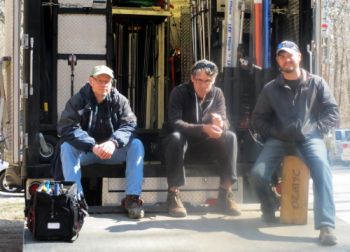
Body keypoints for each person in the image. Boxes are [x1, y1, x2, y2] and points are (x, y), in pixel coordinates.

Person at [250, 41, 339, 246]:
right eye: (282, 56)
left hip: (309, 138)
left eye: (290, 55)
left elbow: (332, 111)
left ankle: (326, 226)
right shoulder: (270, 89)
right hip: (278, 139)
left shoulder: (316, 83)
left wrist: (317, 129)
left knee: (322, 170)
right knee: (257, 175)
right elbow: (257, 119)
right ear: (278, 61)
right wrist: (275, 132)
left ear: (299, 56)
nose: (287, 59)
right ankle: (269, 205)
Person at [57, 65, 145, 219]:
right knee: (66, 147)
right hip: (88, 152)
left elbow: (130, 126)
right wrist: (92, 145)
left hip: (112, 152)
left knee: (137, 145)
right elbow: (67, 127)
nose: (104, 84)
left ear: (112, 83)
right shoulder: (78, 100)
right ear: (91, 81)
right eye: (100, 80)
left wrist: (113, 143)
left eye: (107, 81)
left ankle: (132, 199)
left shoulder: (121, 101)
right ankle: (77, 201)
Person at [162, 59, 241, 218]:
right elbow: (175, 122)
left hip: (205, 145)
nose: (203, 85)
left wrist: (221, 125)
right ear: (192, 78)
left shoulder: (217, 93)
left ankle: (225, 193)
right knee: (175, 137)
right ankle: (173, 195)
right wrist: (203, 128)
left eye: (208, 81)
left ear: (214, 80)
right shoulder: (179, 92)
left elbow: (225, 122)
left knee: (230, 137)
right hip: (181, 145)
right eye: (199, 80)